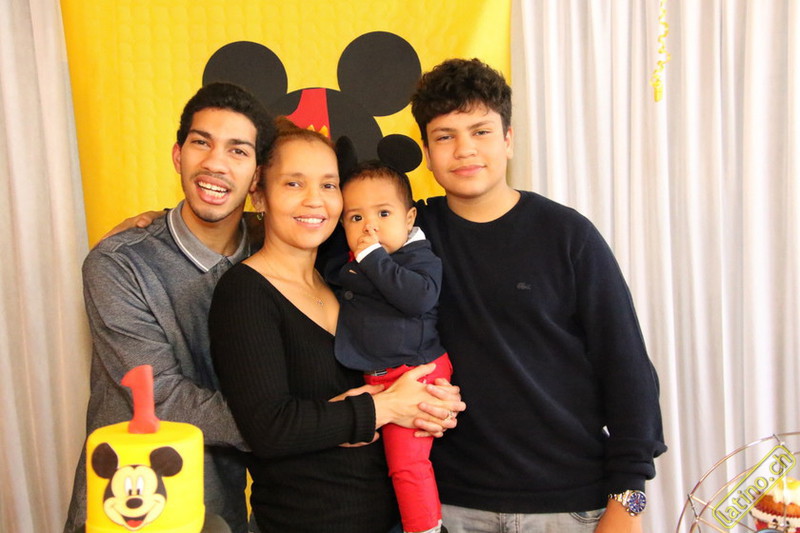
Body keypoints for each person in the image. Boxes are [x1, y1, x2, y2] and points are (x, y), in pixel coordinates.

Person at [407, 58, 667, 533]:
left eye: (481, 131)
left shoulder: (568, 236)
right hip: (449, 507)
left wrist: (629, 507)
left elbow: (628, 372)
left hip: (570, 507)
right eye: (445, 136)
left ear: (508, 139)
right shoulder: (409, 237)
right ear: (427, 152)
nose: (465, 150)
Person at [208, 119, 465, 533]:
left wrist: (430, 398)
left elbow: (395, 370)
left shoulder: (343, 281)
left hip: (391, 518)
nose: (315, 200)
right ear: (259, 194)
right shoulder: (245, 292)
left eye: (328, 185)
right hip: (308, 521)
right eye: (294, 183)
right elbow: (270, 429)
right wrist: (382, 408)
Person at [64, 82, 277, 533]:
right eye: (202, 143)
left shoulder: (272, 256)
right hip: (125, 515)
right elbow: (163, 398)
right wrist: (299, 424)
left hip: (220, 511)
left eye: (238, 151)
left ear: (258, 176)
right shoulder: (119, 263)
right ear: (178, 155)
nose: (215, 163)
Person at [331, 160, 452, 533]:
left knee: (407, 464)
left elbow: (417, 299)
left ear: (409, 217)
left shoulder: (419, 258)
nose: (370, 227)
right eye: (355, 218)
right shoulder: (351, 259)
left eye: (383, 214)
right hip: (380, 376)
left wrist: (372, 258)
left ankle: (425, 527)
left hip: (416, 372)